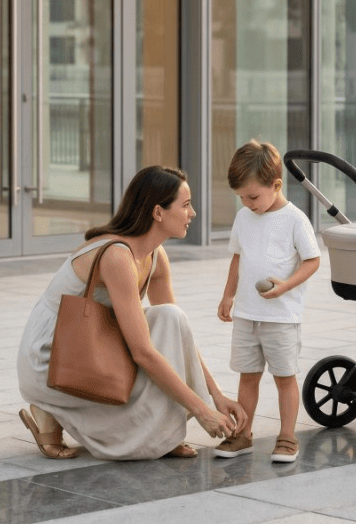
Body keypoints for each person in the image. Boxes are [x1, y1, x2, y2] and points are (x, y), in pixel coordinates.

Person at [17, 165, 246, 460]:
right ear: (158, 212)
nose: (193, 213)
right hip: (54, 359)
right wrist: (202, 411)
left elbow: (181, 338)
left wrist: (216, 396)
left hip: (94, 346)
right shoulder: (117, 256)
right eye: (186, 205)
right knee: (141, 399)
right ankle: (50, 411)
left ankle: (161, 432)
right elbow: (142, 353)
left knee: (172, 318)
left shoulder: (155, 256)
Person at [216, 140, 320, 463]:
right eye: (241, 197)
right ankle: (243, 434)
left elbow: (312, 260)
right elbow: (237, 258)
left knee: (284, 377)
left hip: (281, 317)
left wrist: (286, 286)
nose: (247, 203)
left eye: (253, 197)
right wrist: (228, 294)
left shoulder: (295, 220)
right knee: (247, 376)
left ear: (276, 185)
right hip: (247, 315)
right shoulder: (244, 218)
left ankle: (287, 437)